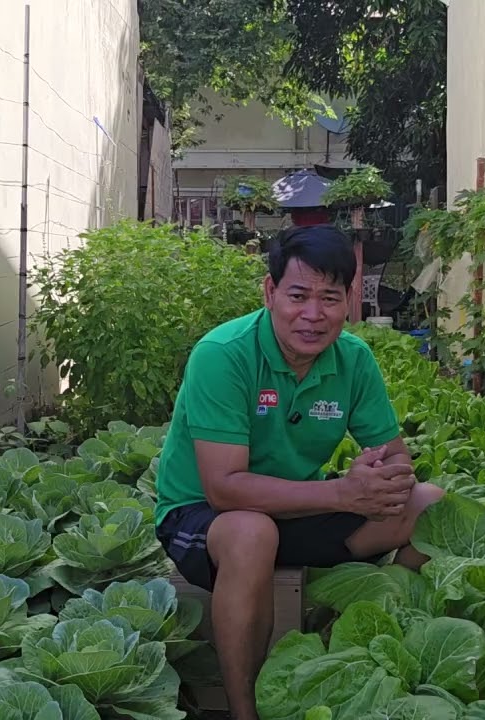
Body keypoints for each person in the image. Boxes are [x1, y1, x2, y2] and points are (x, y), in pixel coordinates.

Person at [153, 223, 445, 720]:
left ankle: (352, 629)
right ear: (269, 292)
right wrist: (344, 496)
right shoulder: (224, 355)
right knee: (251, 531)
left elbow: (397, 458)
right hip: (204, 519)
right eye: (298, 295)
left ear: (349, 300)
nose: (313, 315)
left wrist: (381, 473)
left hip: (295, 509)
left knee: (430, 504)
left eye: (330, 298)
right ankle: (246, 711)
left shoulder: (353, 359)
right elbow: (224, 490)